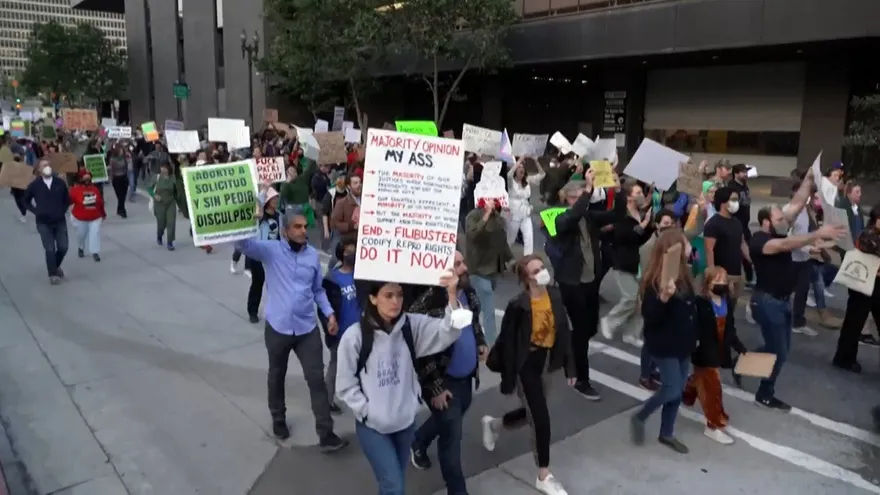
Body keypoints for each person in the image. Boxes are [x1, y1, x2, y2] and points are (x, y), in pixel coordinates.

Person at [335, 274, 465, 495]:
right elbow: (345, 384)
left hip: (405, 424)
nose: (395, 301)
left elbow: (450, 331)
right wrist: (367, 412)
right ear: (373, 298)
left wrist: (452, 295)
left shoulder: (412, 326)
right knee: (395, 486)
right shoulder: (354, 337)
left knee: (391, 483)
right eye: (388, 295)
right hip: (373, 428)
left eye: (399, 295)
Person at [234, 209, 347, 450]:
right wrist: (248, 220)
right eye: (297, 227)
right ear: (285, 231)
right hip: (278, 328)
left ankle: (326, 433)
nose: (304, 231)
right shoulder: (271, 251)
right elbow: (243, 245)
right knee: (277, 375)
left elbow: (317, 290)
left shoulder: (311, 258)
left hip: (307, 329)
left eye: (305, 226)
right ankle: (278, 419)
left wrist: (329, 314)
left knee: (316, 379)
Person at [748, 172, 845, 411]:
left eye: (784, 216)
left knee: (780, 349)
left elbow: (799, 200)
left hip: (782, 303)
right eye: (780, 218)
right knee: (778, 352)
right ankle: (764, 394)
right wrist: (816, 235)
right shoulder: (761, 241)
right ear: (766, 222)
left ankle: (745, 363)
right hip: (767, 303)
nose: (785, 220)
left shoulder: (779, 227)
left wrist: (810, 179)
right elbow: (785, 245)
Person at [480, 254, 575, 495]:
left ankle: (494, 424)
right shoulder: (518, 305)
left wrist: (570, 366)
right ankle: (544, 474)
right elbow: (508, 341)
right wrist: (505, 371)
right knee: (541, 418)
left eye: (542, 267)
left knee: (533, 412)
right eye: (535, 271)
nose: (542, 272)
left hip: (546, 361)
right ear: (526, 279)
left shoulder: (554, 295)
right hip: (526, 364)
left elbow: (564, 331)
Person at [409, 251, 487, 495]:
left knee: (451, 419)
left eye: (463, 262)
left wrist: (480, 341)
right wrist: (435, 389)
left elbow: (474, 323)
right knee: (451, 442)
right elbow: (421, 353)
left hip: (466, 378)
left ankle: (419, 441)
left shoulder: (470, 292)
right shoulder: (428, 304)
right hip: (443, 382)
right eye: (456, 265)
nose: (464, 268)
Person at [549, 174, 618, 400]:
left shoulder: (587, 217)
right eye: (579, 197)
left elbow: (615, 215)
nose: (585, 200)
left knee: (589, 329)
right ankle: (581, 379)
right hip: (572, 282)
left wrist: (617, 190)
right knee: (580, 332)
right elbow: (571, 217)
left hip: (590, 281)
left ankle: (566, 349)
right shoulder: (560, 218)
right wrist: (588, 190)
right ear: (569, 199)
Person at [630, 229, 697, 454]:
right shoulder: (654, 282)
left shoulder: (684, 274)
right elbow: (650, 316)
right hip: (664, 345)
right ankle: (640, 416)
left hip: (683, 344)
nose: (689, 248)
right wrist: (663, 299)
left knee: (676, 391)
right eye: (685, 244)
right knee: (672, 390)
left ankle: (666, 433)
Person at [681, 266, 747, 445]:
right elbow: (691, 326)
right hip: (703, 352)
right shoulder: (699, 303)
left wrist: (741, 348)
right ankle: (713, 425)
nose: (721, 285)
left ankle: (685, 392)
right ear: (707, 284)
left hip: (719, 351)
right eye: (716, 281)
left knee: (702, 380)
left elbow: (730, 330)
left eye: (723, 281)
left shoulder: (727, 303)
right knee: (713, 389)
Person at [599, 182, 653, 347]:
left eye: (640, 192)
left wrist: (650, 227)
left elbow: (639, 239)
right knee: (630, 297)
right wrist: (642, 225)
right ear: (629, 196)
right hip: (622, 261)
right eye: (637, 192)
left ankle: (631, 333)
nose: (640, 195)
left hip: (638, 261)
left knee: (642, 300)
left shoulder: (639, 213)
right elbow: (623, 237)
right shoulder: (621, 214)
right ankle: (609, 320)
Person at [319, 234, 364, 414]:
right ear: (341, 254)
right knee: (335, 367)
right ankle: (326, 402)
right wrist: (330, 326)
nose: (352, 255)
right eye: (348, 252)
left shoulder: (361, 276)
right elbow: (324, 307)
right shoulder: (332, 280)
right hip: (341, 335)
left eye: (355, 251)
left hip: (361, 331)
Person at [833, 205, 880, 373]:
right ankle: (844, 358)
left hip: (875, 285)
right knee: (854, 323)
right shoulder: (868, 235)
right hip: (863, 283)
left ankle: (844, 357)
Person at [464, 198, 513, 343]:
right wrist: (485, 215)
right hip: (479, 270)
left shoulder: (497, 217)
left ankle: (470, 330)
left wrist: (511, 259)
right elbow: (472, 235)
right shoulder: (473, 216)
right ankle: (492, 344)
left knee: (477, 304)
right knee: (489, 309)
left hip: (494, 270)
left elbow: (502, 241)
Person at [23, 159, 71, 285]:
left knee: (63, 247)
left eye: (49, 165)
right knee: (49, 248)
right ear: (39, 169)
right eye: (44, 165)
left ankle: (55, 266)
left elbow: (67, 199)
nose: (47, 167)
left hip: (59, 220)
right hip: (43, 222)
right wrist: (35, 211)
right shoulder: (35, 185)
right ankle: (53, 274)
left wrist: (62, 210)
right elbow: (25, 200)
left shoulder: (59, 183)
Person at [246, 188, 282, 323]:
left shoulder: (279, 216)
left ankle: (276, 311)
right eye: (273, 199)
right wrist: (265, 189)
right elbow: (258, 202)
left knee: (276, 284)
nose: (276, 201)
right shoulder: (259, 217)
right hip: (258, 254)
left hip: (274, 254)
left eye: (277, 198)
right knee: (258, 281)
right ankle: (253, 311)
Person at [506, 156, 545, 256]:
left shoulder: (527, 180)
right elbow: (509, 174)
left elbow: (542, 174)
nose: (521, 168)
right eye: (519, 167)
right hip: (514, 214)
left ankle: (528, 261)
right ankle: (502, 259)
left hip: (526, 213)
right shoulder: (511, 182)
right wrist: (519, 161)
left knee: (529, 239)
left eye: (522, 167)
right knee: (510, 239)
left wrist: (536, 161)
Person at [69, 169, 106, 262]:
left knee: (95, 233)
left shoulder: (95, 190)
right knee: (81, 235)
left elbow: (100, 203)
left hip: (95, 217)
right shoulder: (75, 190)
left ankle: (95, 252)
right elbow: (68, 201)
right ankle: (80, 247)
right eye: (85, 179)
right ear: (80, 179)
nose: (87, 181)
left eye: (88, 179)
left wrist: (103, 213)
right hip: (80, 218)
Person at [153, 162, 178, 251]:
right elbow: (149, 188)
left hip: (171, 203)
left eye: (165, 168)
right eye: (162, 167)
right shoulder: (157, 177)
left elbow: (176, 190)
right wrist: (154, 195)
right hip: (159, 204)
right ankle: (159, 235)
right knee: (161, 224)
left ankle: (170, 242)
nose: (163, 169)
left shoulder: (173, 178)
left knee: (171, 223)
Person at [107, 143, 131, 218]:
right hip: (116, 179)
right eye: (120, 151)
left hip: (124, 178)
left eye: (122, 151)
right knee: (119, 196)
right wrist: (111, 179)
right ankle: (122, 210)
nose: (122, 152)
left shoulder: (125, 158)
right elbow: (111, 170)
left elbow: (129, 168)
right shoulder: (112, 159)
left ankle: (120, 209)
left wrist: (129, 159)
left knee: (123, 196)